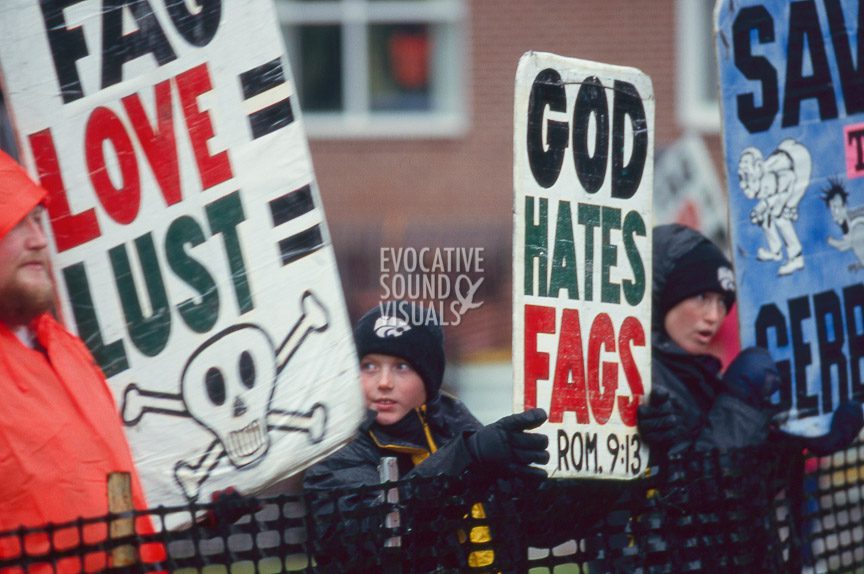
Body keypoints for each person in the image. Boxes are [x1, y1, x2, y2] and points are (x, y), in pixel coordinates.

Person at [303, 301, 560, 571]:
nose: (384, 382)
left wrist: (563, 491)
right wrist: (466, 458)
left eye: (402, 367)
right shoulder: (335, 445)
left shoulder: (458, 423)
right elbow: (367, 537)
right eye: (369, 366)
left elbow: (541, 528)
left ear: (430, 376)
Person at [0, 151, 162, 571]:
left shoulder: (66, 348)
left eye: (38, 220)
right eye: (17, 222)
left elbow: (112, 487)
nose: (38, 239)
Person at [638, 223, 863, 456]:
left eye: (723, 302)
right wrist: (741, 403)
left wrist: (796, 441)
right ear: (662, 295)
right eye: (701, 297)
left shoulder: (699, 379)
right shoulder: (637, 377)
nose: (714, 316)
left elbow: (742, 481)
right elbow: (694, 487)